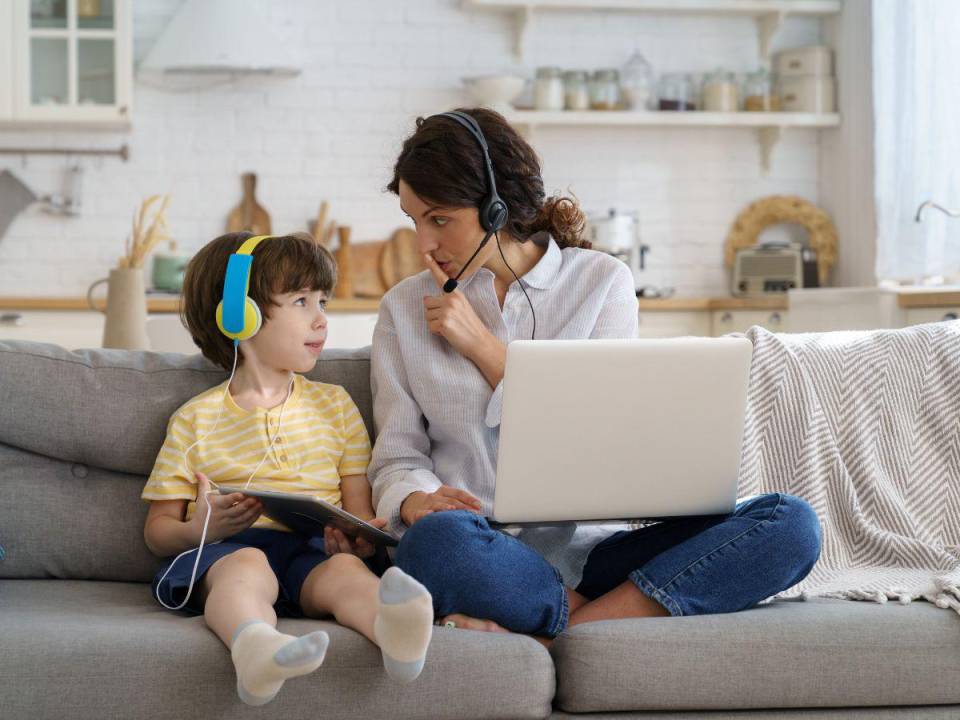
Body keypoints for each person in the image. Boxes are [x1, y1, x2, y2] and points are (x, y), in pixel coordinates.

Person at [369, 108, 822, 639]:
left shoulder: (602, 284)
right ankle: (607, 623)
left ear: (496, 208)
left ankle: (556, 630)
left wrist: (484, 348)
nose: (423, 244)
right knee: (431, 545)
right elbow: (398, 457)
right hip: (478, 546)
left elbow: (590, 438)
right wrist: (415, 499)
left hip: (596, 552)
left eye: (439, 219)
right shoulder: (404, 308)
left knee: (790, 525)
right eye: (413, 219)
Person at [141, 232, 433, 706]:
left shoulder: (335, 405)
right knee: (248, 566)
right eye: (300, 300)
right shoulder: (194, 419)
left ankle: (395, 632)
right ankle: (255, 646)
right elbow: (157, 533)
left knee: (343, 571)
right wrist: (202, 528)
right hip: (229, 550)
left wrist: (356, 541)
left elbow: (358, 513)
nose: (321, 318)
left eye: (322, 300)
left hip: (311, 549)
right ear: (240, 315)